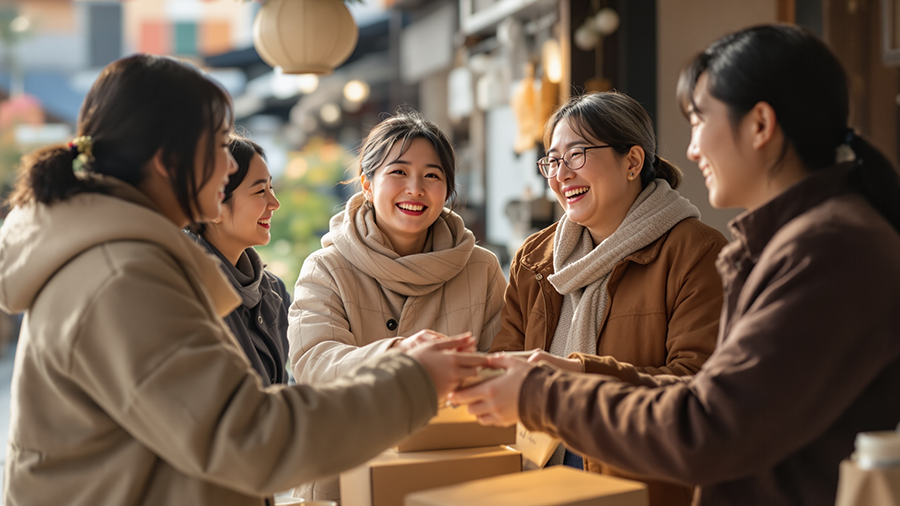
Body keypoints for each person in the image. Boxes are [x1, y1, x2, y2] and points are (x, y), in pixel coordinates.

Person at [0, 54, 486, 506]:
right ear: (167, 160)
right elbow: (251, 436)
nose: (232, 164)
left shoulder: (126, 259)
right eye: (217, 146)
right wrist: (413, 380)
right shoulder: (122, 275)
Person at [452, 24, 900, 506]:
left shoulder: (825, 249)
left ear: (760, 125)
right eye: (552, 160)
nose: (691, 148)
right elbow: (718, 397)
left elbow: (708, 423)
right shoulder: (793, 242)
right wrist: (566, 374)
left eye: (699, 120)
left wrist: (543, 392)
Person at [489, 90, 727, 506]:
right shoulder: (534, 258)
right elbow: (506, 363)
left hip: (636, 483)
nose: (561, 174)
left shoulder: (697, 252)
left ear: (633, 161)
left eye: (576, 155)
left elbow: (700, 386)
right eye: (553, 160)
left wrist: (575, 374)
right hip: (536, 480)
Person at [287, 109, 507, 502]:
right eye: (399, 172)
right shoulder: (327, 267)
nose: (415, 189)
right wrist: (402, 355)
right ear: (368, 184)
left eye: (432, 176)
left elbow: (501, 366)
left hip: (454, 468)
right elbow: (313, 364)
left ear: (448, 190)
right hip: (344, 473)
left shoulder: (481, 268)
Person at [188, 136, 290, 386]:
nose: (274, 203)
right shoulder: (189, 293)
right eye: (260, 191)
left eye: (271, 188)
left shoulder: (274, 290)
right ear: (214, 206)